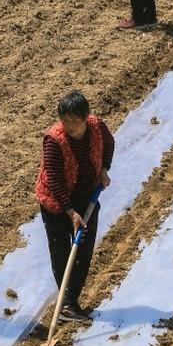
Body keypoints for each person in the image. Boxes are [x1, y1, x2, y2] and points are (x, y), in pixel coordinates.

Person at [35, 91, 114, 321]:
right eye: (65, 121)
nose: (70, 126)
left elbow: (109, 144)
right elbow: (54, 180)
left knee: (83, 249)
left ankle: (70, 302)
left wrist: (104, 169)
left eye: (75, 122)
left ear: (85, 118)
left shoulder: (97, 127)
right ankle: (67, 305)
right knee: (61, 252)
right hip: (57, 202)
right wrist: (70, 212)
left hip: (86, 195)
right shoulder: (54, 141)